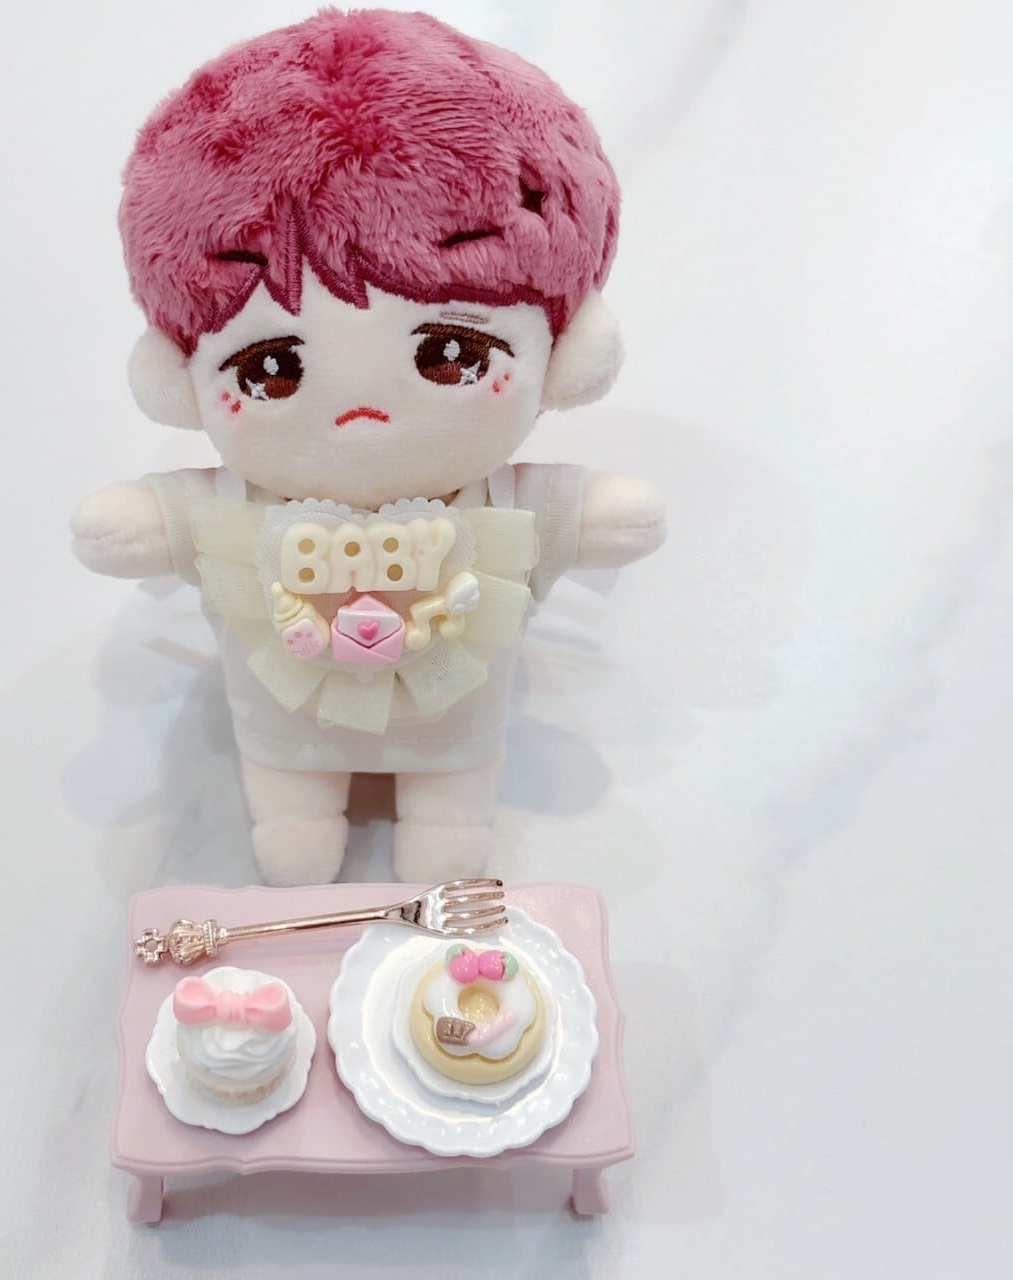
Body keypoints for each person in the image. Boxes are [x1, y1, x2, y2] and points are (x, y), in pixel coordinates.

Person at [71, 9, 664, 885]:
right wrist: (133, 521)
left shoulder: (504, 505)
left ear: (567, 357)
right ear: (179, 382)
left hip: (456, 734)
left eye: (451, 352)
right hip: (280, 733)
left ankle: (445, 823)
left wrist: (605, 514)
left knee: (449, 818)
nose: (360, 413)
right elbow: (137, 527)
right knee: (290, 824)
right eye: (271, 368)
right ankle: (295, 815)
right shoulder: (232, 508)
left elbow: (608, 517)